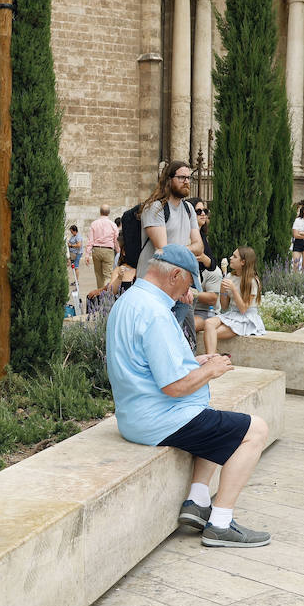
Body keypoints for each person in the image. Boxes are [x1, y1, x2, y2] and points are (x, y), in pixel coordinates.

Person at [104, 244, 273, 548]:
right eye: (188, 284)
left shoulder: (128, 301)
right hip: (158, 420)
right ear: (176, 275)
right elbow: (174, 387)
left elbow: (143, 363)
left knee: (211, 416)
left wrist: (194, 363)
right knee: (256, 430)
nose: (188, 293)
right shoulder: (155, 313)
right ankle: (220, 523)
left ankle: (196, 502)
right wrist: (213, 369)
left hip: (134, 415)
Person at [139, 161, 204, 348]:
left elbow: (199, 246)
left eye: (188, 177)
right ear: (169, 180)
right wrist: (185, 248)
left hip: (181, 287)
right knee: (160, 343)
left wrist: (179, 250)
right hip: (157, 288)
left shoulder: (189, 209)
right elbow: (165, 252)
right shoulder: (155, 208)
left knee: (189, 344)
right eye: (181, 177)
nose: (186, 181)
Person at [203, 246, 266, 354]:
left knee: (212, 333)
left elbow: (243, 310)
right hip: (232, 314)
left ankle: (211, 359)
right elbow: (224, 306)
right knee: (209, 323)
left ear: (243, 262)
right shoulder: (230, 276)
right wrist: (223, 291)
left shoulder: (252, 282)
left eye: (234, 256)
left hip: (246, 318)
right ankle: (212, 358)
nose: (230, 258)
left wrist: (233, 289)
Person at [87, 205, 120, 290]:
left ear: (100, 212)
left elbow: (90, 240)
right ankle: (106, 296)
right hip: (108, 251)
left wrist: (87, 254)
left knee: (99, 275)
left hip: (96, 250)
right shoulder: (113, 225)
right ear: (108, 213)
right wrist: (119, 252)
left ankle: (99, 295)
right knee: (108, 275)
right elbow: (116, 240)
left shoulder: (94, 224)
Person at [290, 203, 304, 271]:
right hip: (298, 243)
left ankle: (303, 280)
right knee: (296, 264)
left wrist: (301, 233)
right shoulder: (298, 220)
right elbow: (295, 234)